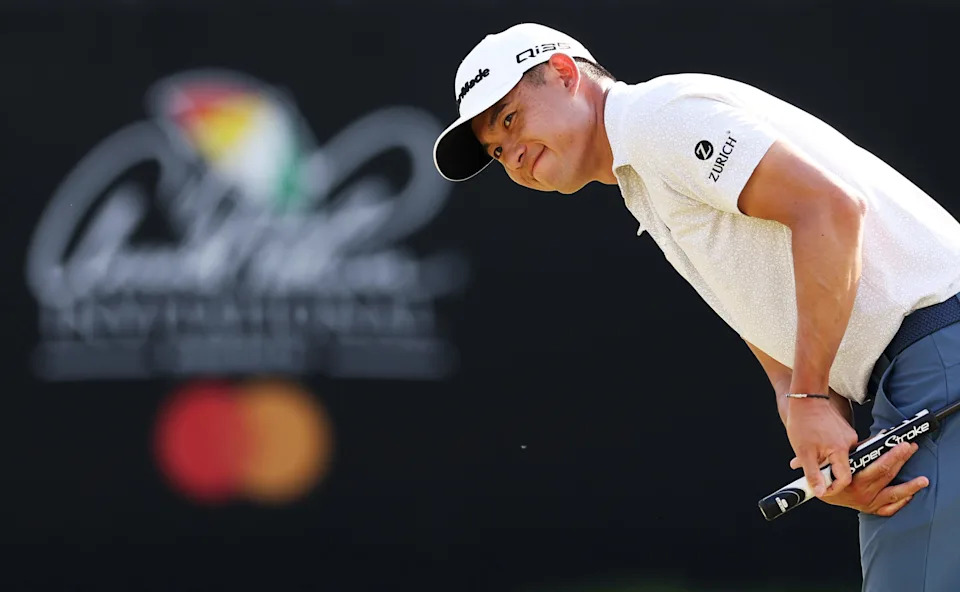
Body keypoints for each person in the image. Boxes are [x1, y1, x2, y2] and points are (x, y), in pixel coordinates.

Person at [432, 22, 960, 591]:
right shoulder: (643, 175)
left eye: (510, 120)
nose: (511, 154)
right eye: (495, 150)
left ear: (565, 74)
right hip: (921, 363)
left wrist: (808, 395)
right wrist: (822, 448)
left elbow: (831, 210)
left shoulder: (654, 119)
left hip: (937, 352)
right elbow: (767, 315)